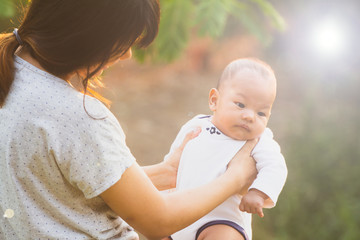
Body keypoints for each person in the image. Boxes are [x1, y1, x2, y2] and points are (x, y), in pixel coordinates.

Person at [0, 1, 259, 239]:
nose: (127, 56)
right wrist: (236, 177)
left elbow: (59, 186)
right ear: (88, 33)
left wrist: (167, 172)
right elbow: (158, 221)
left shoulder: (10, 76)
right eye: (122, 42)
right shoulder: (79, 115)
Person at [165, 58, 288, 240]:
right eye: (240, 104)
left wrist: (258, 192)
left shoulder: (258, 141)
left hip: (222, 220)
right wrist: (161, 200)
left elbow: (275, 167)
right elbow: (171, 163)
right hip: (181, 218)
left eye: (261, 113)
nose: (249, 116)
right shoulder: (195, 126)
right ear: (214, 100)